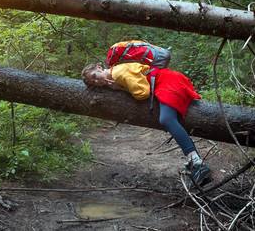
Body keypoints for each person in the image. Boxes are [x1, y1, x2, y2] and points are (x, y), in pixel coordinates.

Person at [81, 61, 210, 187]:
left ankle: (196, 162)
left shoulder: (118, 73)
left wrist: (119, 88)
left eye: (95, 76)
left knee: (166, 119)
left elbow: (143, 93)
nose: (97, 81)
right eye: (94, 82)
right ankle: (197, 167)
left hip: (167, 81)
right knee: (168, 119)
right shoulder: (117, 71)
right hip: (166, 80)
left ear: (99, 67)